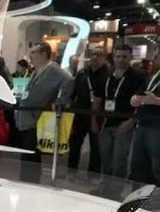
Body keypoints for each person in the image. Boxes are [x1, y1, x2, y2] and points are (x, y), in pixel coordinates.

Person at [14, 42, 73, 183]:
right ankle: (26, 181)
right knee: (27, 155)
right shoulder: (36, 71)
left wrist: (60, 100)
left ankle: (31, 182)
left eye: (34, 52)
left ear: (44, 54)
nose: (31, 56)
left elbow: (69, 80)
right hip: (28, 119)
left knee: (31, 155)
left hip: (36, 120)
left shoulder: (52, 70)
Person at [94, 44, 147, 179]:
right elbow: (98, 99)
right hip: (104, 123)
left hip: (124, 124)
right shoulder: (106, 75)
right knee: (105, 159)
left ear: (130, 57)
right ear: (113, 57)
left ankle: (116, 188)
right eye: (118, 56)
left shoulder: (138, 76)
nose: (120, 60)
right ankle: (104, 185)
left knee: (119, 160)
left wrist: (131, 121)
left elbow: (142, 102)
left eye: (124, 57)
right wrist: (93, 121)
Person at [67, 48, 109, 174]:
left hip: (97, 116)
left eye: (99, 55)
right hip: (80, 114)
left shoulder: (108, 75)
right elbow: (73, 92)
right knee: (74, 144)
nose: (95, 57)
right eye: (93, 54)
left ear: (104, 57)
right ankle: (71, 172)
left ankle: (93, 176)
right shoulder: (82, 73)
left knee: (96, 147)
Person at [130, 45, 160, 185]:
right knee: (138, 165)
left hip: (157, 127)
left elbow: (153, 99)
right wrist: (135, 99)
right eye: (155, 53)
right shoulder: (152, 75)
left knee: (156, 168)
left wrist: (156, 101)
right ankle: (138, 195)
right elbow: (138, 95)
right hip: (142, 124)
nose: (155, 57)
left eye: (158, 54)